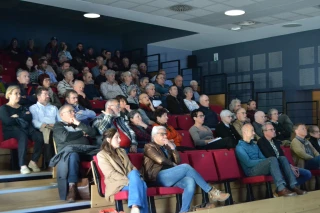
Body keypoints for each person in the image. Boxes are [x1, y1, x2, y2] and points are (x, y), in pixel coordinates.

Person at [143, 126, 230, 212]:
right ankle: (211, 191)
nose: (165, 136)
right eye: (162, 134)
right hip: (157, 176)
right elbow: (160, 160)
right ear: (154, 136)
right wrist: (173, 164)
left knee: (190, 180)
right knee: (185, 167)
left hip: (170, 176)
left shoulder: (166, 147)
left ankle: (184, 211)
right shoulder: (149, 146)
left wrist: (173, 149)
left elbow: (178, 161)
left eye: (165, 134)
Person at [235, 124, 298, 197]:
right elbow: (248, 163)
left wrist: (264, 161)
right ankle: (281, 188)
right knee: (272, 159)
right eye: (252, 131)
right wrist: (263, 161)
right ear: (245, 132)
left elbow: (263, 157)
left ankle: (293, 186)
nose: (254, 133)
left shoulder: (254, 145)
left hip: (260, 167)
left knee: (282, 158)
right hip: (251, 171)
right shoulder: (239, 147)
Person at [51, 104, 97, 203]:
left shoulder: (80, 123)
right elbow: (65, 137)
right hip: (67, 154)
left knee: (102, 153)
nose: (74, 113)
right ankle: (72, 188)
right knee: (73, 154)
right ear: (62, 115)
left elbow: (93, 133)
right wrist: (81, 133)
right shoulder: (58, 125)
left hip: (86, 151)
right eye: (70, 111)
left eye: (74, 111)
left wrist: (79, 124)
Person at [97, 128, 148, 213]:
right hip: (116, 184)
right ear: (109, 140)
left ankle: (135, 207)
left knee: (135, 173)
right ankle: (135, 206)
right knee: (142, 185)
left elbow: (131, 168)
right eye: (117, 137)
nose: (120, 140)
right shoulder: (101, 155)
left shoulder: (122, 151)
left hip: (130, 180)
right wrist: (130, 181)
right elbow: (111, 174)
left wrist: (135, 179)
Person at [0, 86, 43, 174]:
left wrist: (17, 117)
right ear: (9, 95)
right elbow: (7, 121)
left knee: (39, 136)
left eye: (19, 93)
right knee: (22, 135)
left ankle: (33, 162)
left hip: (25, 128)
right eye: (16, 93)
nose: (19, 96)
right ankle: (22, 165)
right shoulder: (4, 108)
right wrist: (22, 117)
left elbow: (29, 117)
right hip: (10, 130)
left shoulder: (22, 107)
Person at [257, 122, 311, 188]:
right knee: (292, 173)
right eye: (271, 130)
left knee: (307, 173)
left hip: (284, 165)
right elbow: (269, 157)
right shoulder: (261, 142)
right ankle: (290, 187)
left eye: (274, 129)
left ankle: (288, 187)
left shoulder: (275, 141)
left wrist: (290, 166)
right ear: (264, 132)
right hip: (275, 167)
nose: (274, 131)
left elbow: (282, 156)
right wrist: (288, 167)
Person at [30, 88, 59, 166]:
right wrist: (46, 125)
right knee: (49, 133)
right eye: (45, 94)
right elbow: (34, 121)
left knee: (60, 132)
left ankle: (59, 160)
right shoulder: (33, 108)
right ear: (38, 96)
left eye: (48, 94)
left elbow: (60, 121)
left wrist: (56, 125)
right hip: (41, 128)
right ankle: (50, 162)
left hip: (55, 127)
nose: (48, 96)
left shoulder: (54, 108)